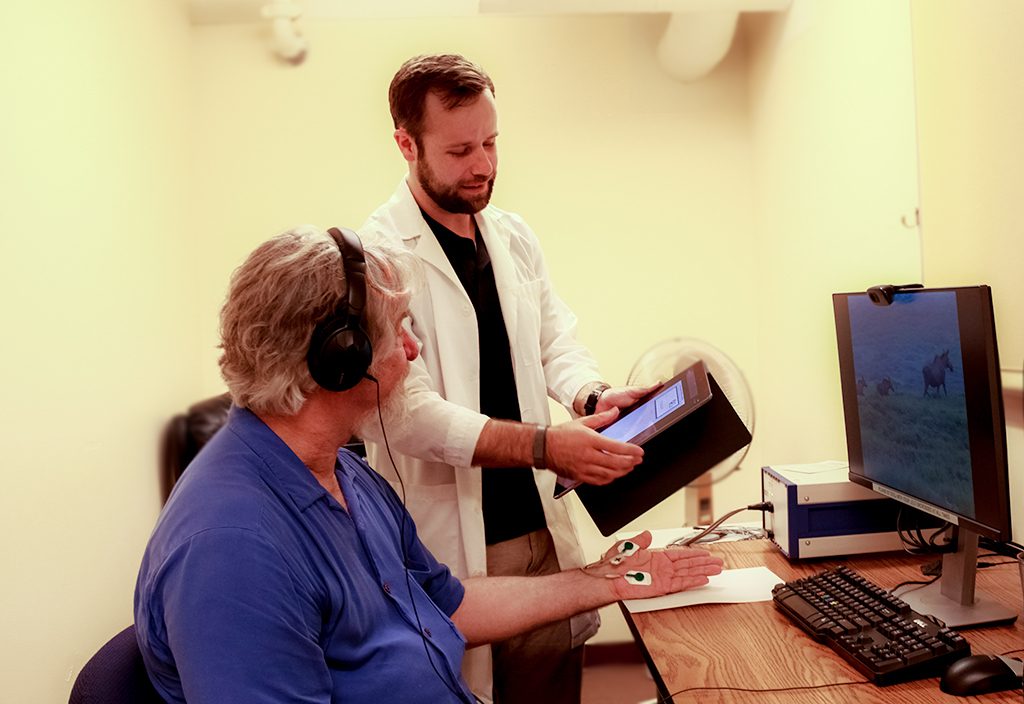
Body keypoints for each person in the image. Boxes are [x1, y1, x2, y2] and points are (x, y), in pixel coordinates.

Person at [133, 225, 724, 703]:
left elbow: (448, 604)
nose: (413, 350)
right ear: (341, 361)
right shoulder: (233, 550)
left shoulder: (348, 476)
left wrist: (604, 581)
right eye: (399, 332)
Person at [358, 53, 657, 703]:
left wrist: (592, 396)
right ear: (406, 144)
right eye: (461, 149)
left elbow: (554, 340)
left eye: (491, 142)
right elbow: (405, 413)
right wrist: (548, 444)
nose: (484, 164)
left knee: (550, 691)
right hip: (453, 543)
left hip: (539, 530)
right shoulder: (376, 258)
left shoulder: (513, 237)